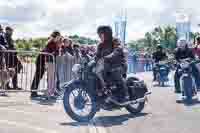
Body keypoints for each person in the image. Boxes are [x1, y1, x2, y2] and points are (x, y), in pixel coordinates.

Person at [95, 25, 129, 103]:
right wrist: (96, 59)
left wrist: (108, 56)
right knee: (96, 73)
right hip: (106, 66)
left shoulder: (115, 41)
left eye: (101, 34)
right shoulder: (100, 45)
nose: (99, 36)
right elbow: (97, 55)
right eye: (99, 34)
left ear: (107, 33)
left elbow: (117, 50)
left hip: (119, 65)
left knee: (115, 72)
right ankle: (104, 91)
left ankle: (125, 94)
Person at [30, 31, 61, 98]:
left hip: (46, 61)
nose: (59, 38)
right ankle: (33, 91)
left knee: (42, 76)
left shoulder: (55, 43)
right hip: (42, 60)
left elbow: (56, 53)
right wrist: (46, 63)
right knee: (38, 76)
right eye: (58, 36)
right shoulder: (50, 42)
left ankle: (47, 91)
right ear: (55, 36)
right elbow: (48, 53)